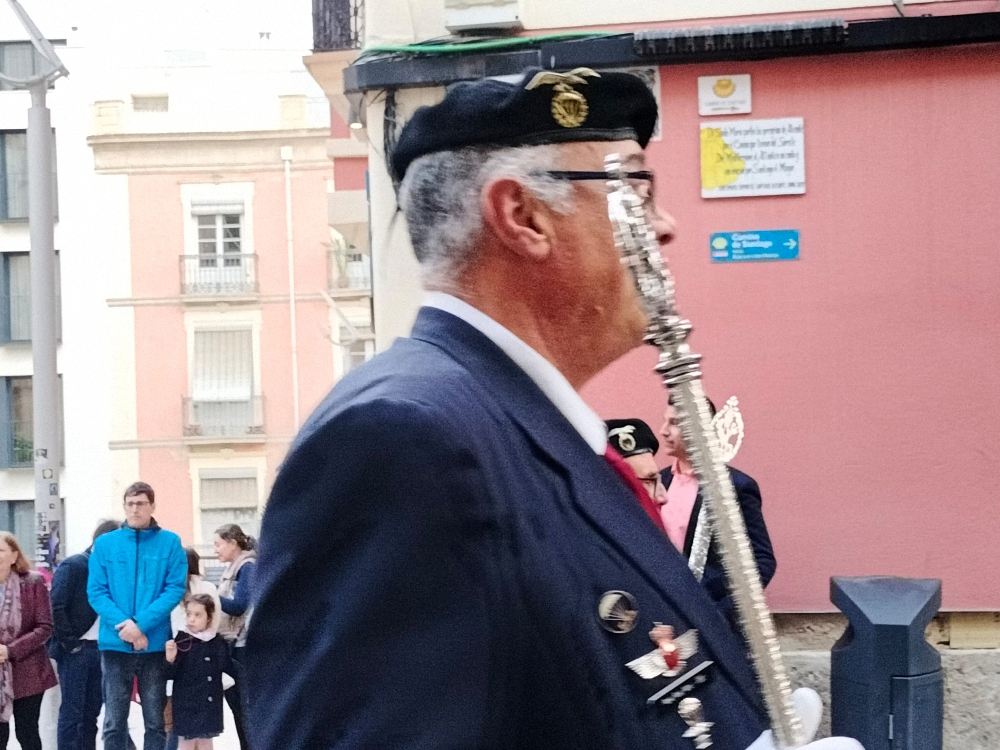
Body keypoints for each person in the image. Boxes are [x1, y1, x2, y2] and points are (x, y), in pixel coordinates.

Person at [248, 69, 860, 750]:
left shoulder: (523, 429)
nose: (666, 225)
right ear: (524, 217)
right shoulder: (405, 440)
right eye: (633, 187)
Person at [87, 482, 187, 750]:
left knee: (154, 719)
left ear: (152, 506)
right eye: (130, 503)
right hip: (115, 643)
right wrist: (126, 627)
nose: (134, 509)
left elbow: (174, 588)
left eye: (140, 503)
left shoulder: (170, 543)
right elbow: (96, 591)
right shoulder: (106, 544)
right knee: (114, 720)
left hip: (152, 644)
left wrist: (141, 625)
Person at [659, 402, 777, 625]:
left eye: (674, 423)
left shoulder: (735, 486)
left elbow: (762, 561)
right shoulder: (660, 481)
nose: (663, 430)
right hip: (664, 616)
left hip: (714, 620)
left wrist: (721, 613)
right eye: (665, 421)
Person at [50, 519, 121, 750]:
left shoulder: (115, 571)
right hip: (77, 650)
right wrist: (70, 644)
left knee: (92, 715)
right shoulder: (75, 565)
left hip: (104, 649)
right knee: (72, 715)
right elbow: (56, 606)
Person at [0, 532, 57, 750]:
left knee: (27, 731)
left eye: (1, 550)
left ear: (14, 555)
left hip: (28, 670)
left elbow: (44, 628)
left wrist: (10, 650)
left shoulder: (33, 583)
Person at [166, 549, 221, 750]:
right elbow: (216, 620)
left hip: (182, 661)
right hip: (204, 684)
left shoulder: (173, 589)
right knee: (203, 740)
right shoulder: (207, 588)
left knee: (182, 736)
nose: (191, 618)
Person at [164, 595, 232, 750]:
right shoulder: (182, 640)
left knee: (205, 743)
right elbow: (168, 674)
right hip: (187, 705)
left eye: (198, 615)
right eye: (189, 614)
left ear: (209, 617)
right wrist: (170, 660)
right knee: (186, 743)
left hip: (209, 705)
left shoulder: (217, 641)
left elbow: (226, 666)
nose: (191, 619)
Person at [213, 525, 255, 750]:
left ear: (233, 543)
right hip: (232, 643)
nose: (216, 550)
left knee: (244, 708)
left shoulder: (246, 568)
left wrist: (211, 596)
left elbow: (240, 606)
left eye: (218, 544)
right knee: (237, 707)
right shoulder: (232, 570)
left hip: (242, 645)